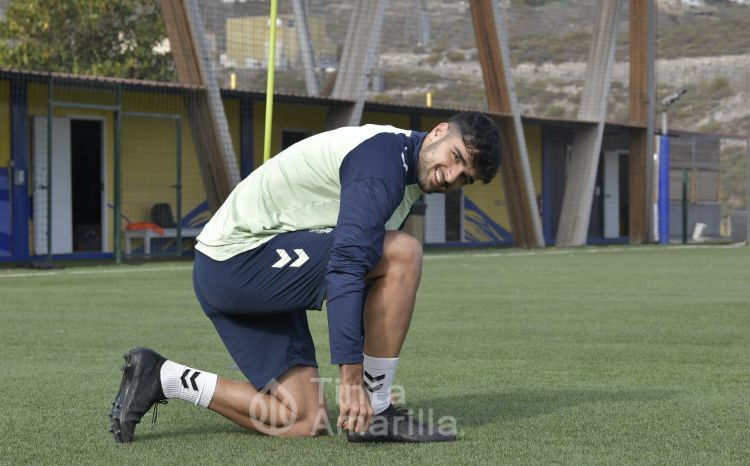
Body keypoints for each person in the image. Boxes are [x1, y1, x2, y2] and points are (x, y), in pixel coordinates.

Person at [109, 111, 502, 443]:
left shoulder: (406, 174)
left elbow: (366, 277)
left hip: (253, 269)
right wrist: (353, 383)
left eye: (464, 177)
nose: (451, 176)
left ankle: (163, 376)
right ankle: (380, 411)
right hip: (235, 262)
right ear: (438, 132)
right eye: (454, 157)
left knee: (303, 419)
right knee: (403, 252)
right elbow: (346, 267)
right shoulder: (383, 162)